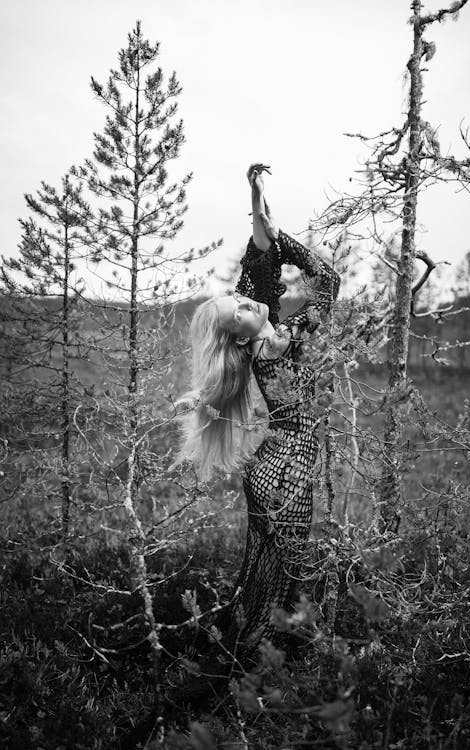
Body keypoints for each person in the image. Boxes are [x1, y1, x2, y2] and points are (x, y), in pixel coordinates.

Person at [176, 163, 341, 668]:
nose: (248, 301)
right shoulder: (282, 345)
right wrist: (280, 235)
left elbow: (261, 267)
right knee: (285, 572)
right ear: (243, 335)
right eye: (240, 309)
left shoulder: (271, 336)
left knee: (270, 572)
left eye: (243, 299)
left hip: (277, 466)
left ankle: (252, 655)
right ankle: (272, 665)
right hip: (286, 467)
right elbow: (328, 280)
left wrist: (258, 203)